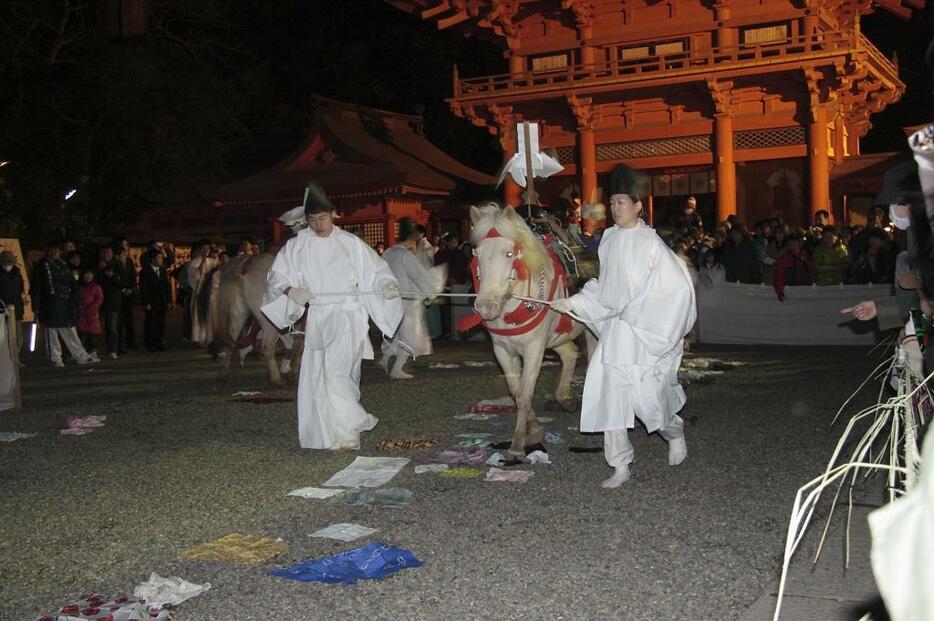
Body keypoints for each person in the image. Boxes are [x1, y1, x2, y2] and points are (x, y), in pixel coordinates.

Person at [550, 164, 695, 488]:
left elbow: (676, 287)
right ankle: (619, 465)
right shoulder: (609, 240)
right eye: (612, 203)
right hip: (616, 333)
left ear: (638, 205)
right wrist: (574, 302)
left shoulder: (650, 242)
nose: (616, 209)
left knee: (649, 402)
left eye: (622, 203)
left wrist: (640, 312)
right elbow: (606, 286)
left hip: (642, 332)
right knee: (610, 397)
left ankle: (674, 430)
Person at [262, 182, 403, 450]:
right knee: (319, 374)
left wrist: (387, 285)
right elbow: (276, 277)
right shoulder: (297, 246)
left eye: (322, 218)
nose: (318, 225)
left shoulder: (350, 243)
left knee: (336, 374)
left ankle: (350, 428)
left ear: (334, 215)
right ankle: (329, 434)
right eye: (312, 220)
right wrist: (291, 290)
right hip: (318, 317)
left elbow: (376, 272)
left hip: (347, 316)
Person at [380, 218, 447, 379]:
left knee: (398, 333)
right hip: (408, 301)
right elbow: (420, 276)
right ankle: (397, 368)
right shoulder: (405, 256)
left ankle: (385, 359)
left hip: (391, 300)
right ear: (410, 238)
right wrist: (432, 294)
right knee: (411, 335)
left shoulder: (388, 253)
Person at [30, 241, 97, 367]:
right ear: (47, 250)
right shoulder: (42, 265)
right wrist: (36, 307)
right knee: (52, 332)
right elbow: (36, 288)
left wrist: (78, 302)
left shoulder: (63, 264)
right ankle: (56, 358)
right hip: (49, 303)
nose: (54, 252)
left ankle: (80, 355)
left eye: (56, 249)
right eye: (52, 249)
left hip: (65, 303)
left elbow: (73, 284)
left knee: (70, 330)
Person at [140, 248, 170, 352]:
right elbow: (143, 288)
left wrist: (168, 300)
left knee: (161, 322)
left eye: (161, 258)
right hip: (151, 301)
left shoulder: (162, 270)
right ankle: (150, 343)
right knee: (151, 322)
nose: (161, 260)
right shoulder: (145, 271)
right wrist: (146, 302)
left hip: (162, 300)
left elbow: (166, 285)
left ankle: (159, 342)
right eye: (159, 258)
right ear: (153, 260)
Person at [186, 238, 215, 345]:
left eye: (207, 248)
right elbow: (196, 277)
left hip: (211, 292)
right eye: (203, 248)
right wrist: (202, 261)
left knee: (211, 315)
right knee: (200, 315)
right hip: (199, 291)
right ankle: (201, 338)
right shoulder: (194, 262)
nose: (206, 250)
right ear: (199, 249)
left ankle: (211, 337)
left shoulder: (212, 261)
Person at [772, 234, 815, 301]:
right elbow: (778, 277)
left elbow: (811, 274)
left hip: (805, 292)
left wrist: (812, 287)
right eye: (790, 244)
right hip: (789, 293)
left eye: (795, 243)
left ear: (799, 244)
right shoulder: (782, 260)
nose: (792, 246)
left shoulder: (806, 258)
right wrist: (780, 292)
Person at [113, 237, 138, 350]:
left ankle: (130, 342)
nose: (125, 247)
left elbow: (133, 276)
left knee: (129, 319)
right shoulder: (114, 262)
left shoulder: (129, 261)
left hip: (129, 294)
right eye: (123, 245)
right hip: (118, 295)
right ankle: (120, 344)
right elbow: (114, 279)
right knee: (119, 321)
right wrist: (123, 289)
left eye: (126, 245)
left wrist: (131, 288)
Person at [0, 251, 26, 351]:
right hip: (2, 310)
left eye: (10, 261)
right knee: (4, 336)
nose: (8, 264)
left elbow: (21, 289)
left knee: (17, 336)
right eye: (6, 261)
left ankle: (16, 359)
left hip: (16, 309)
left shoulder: (17, 272)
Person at [75, 268, 103, 356]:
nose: (89, 276)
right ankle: (80, 352)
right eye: (87, 274)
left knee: (92, 335)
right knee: (80, 333)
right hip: (80, 314)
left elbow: (99, 299)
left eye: (91, 274)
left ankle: (93, 351)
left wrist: (89, 308)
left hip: (92, 314)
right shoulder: (78, 286)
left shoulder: (96, 286)